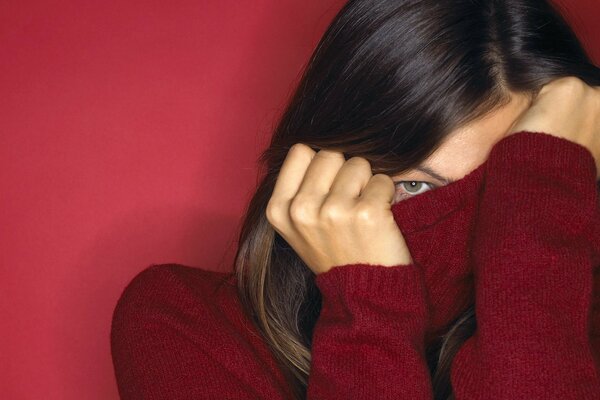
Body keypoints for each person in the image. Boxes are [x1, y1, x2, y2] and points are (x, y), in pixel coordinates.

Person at [110, 0, 600, 398]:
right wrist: (368, 309)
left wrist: (537, 267)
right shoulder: (187, 326)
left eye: (514, 192)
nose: (483, 224)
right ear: (323, 170)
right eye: (415, 185)